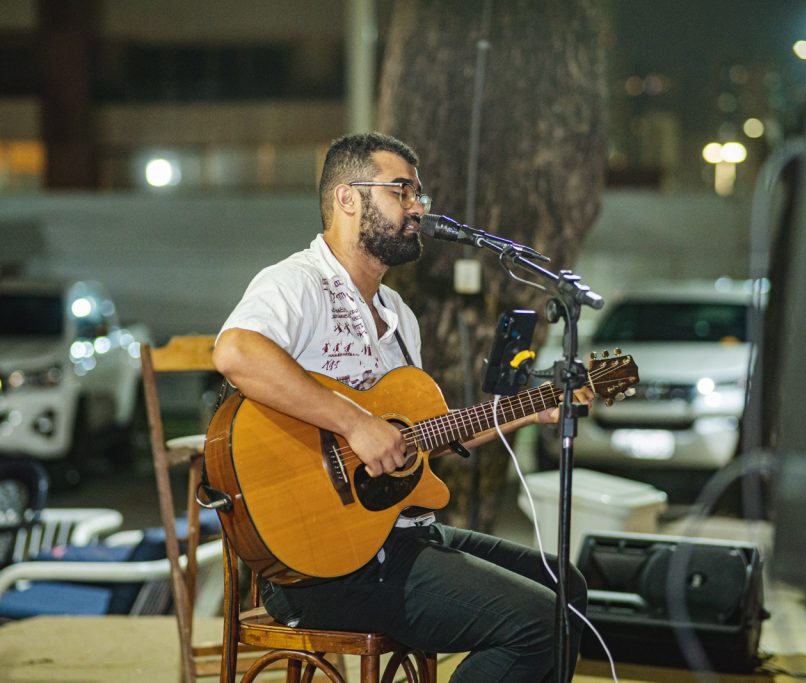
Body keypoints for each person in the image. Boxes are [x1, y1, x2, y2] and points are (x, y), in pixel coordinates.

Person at [213, 132, 590, 682]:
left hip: (402, 534)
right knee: (535, 622)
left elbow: (420, 435)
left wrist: (526, 411)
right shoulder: (297, 283)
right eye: (401, 191)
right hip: (327, 566)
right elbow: (236, 352)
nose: (418, 207)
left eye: (420, 195)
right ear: (347, 198)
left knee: (567, 588)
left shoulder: (397, 313)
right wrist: (355, 423)